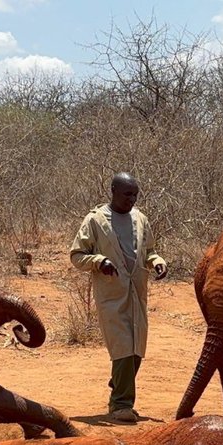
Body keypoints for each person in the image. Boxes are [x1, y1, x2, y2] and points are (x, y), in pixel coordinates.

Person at [69, 172, 169, 424]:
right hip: (112, 295)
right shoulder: (95, 220)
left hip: (137, 293)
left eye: (135, 194)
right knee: (123, 347)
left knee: (136, 349)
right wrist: (98, 261)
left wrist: (157, 261)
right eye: (127, 194)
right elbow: (77, 255)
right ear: (113, 191)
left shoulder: (141, 219)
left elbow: (150, 251)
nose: (132, 199)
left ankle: (119, 381)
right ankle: (121, 404)